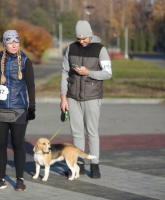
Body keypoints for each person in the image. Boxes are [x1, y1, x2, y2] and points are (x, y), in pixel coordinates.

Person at [60, 20, 112, 179]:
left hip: (92, 96)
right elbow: (64, 72)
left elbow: (108, 73)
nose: (81, 41)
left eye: (84, 38)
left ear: (90, 35)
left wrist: (88, 72)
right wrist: (63, 97)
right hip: (73, 97)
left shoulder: (100, 49)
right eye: (79, 39)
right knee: (76, 133)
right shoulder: (71, 48)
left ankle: (94, 165)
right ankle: (79, 166)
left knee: (91, 132)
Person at [0, 30, 36, 191]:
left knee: (18, 145)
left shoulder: (26, 61)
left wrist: (32, 107)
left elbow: (31, 85)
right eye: (10, 41)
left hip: (19, 110)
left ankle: (20, 180)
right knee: (0, 145)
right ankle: (1, 179)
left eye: (16, 41)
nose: (14, 45)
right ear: (4, 43)